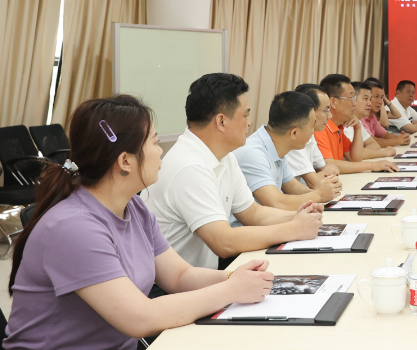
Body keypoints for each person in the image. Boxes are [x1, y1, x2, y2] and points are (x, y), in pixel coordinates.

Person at [4, 95, 274, 350]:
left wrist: (237, 278)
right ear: (125, 161)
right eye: (155, 143)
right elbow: (139, 318)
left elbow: (179, 276)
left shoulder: (134, 207)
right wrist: (230, 290)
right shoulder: (73, 227)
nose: (161, 152)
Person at [143, 73, 324, 270]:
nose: (249, 122)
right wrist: (293, 229)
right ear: (222, 121)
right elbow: (224, 242)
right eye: (245, 115)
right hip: (166, 288)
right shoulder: (190, 166)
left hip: (199, 277)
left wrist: (300, 215)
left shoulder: (224, 156)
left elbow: (253, 213)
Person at [233, 91, 341, 211]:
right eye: (311, 126)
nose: (312, 132)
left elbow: (293, 188)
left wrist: (321, 191)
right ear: (294, 133)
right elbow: (276, 203)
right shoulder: (253, 153)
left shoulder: (277, 145)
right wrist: (318, 195)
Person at [316, 74, 399, 174]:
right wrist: (373, 165)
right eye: (351, 98)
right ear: (333, 102)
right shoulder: (320, 127)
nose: (354, 103)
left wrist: (357, 128)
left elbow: (355, 157)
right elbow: (328, 165)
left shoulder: (338, 126)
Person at [284, 84, 343, 194]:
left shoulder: (310, 134)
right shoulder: (293, 136)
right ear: (309, 111)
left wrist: (325, 172)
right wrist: (326, 172)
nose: (330, 116)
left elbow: (324, 168)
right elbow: (315, 182)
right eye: (326, 110)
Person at [344, 81, 396, 159]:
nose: (369, 103)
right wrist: (383, 153)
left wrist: (362, 152)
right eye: (365, 99)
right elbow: (354, 155)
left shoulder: (357, 121)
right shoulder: (345, 124)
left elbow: (374, 145)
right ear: (353, 100)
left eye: (370, 99)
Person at [363, 79, 411, 147]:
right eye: (376, 97)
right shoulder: (360, 117)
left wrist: (402, 138)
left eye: (382, 97)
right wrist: (397, 141)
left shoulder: (372, 116)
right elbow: (372, 141)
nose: (380, 101)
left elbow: (385, 134)